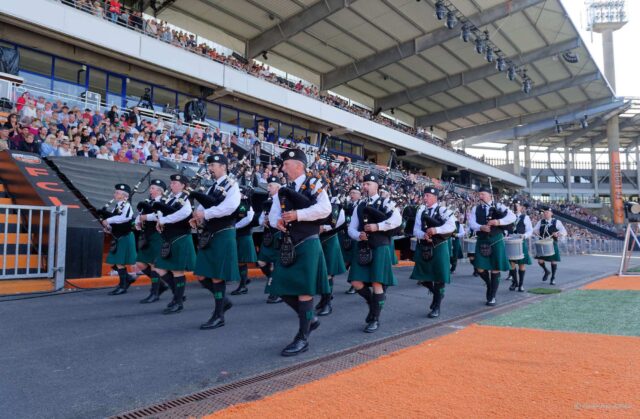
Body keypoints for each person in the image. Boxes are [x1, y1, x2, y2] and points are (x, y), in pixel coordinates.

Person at [267, 149, 330, 356]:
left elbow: (325, 209)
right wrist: (277, 222)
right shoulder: (283, 190)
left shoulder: (314, 184)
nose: (283, 168)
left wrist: (298, 215)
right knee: (282, 288)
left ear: (299, 165)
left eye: (286, 164)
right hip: (288, 243)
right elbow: (274, 213)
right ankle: (310, 319)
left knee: (304, 291)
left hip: (308, 242)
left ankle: (303, 337)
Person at [191, 154, 241, 330]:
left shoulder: (232, 185)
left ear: (223, 167)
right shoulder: (213, 186)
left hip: (223, 233)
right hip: (210, 232)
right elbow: (203, 205)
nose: (210, 168)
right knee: (202, 274)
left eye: (213, 165)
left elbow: (231, 207)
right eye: (210, 165)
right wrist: (197, 215)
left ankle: (219, 315)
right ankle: (224, 301)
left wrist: (206, 214)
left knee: (217, 275)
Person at [347, 174, 401, 333]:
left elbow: (397, 220)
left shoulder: (386, 202)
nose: (365, 186)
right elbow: (351, 228)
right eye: (364, 184)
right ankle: (373, 304)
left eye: (368, 183)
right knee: (356, 282)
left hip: (380, 246)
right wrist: (358, 235)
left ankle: (375, 319)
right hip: (363, 247)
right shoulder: (359, 205)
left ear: (376, 186)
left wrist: (378, 227)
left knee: (377, 283)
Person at [409, 187, 456, 318]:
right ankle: (437, 294)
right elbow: (415, 230)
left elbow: (452, 226)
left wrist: (436, 230)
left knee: (439, 278)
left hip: (439, 246)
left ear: (435, 197)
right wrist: (424, 234)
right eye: (424, 195)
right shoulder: (421, 211)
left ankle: (436, 306)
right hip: (424, 246)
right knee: (422, 277)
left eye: (428, 195)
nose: (425, 198)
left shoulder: (443, 210)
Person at [153, 174, 197, 314]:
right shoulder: (170, 199)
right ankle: (178, 295)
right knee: (160, 269)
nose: (171, 185)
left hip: (180, 238)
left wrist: (164, 221)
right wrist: (160, 220)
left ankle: (178, 302)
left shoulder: (185, 199)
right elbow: (160, 212)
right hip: (169, 238)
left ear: (183, 185)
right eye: (171, 183)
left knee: (177, 271)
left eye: (175, 183)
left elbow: (184, 213)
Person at [468, 187, 516, 306]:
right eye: (480, 194)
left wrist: (498, 222)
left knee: (495, 267)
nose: (481, 197)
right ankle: (490, 284)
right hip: (482, 239)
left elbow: (512, 217)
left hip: (496, 239)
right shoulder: (476, 208)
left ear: (490, 196)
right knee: (479, 267)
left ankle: (492, 296)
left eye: (483, 194)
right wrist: (480, 227)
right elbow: (472, 223)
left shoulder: (499, 206)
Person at [134, 179, 168, 304]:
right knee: (140, 263)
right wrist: (138, 221)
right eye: (151, 188)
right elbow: (140, 214)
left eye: (153, 188)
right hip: (146, 235)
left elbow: (160, 216)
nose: (150, 190)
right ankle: (161, 285)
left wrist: (145, 217)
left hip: (157, 235)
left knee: (154, 265)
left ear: (160, 191)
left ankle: (154, 292)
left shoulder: (163, 201)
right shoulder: (149, 201)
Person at [102, 184, 137, 295]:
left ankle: (122, 286)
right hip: (118, 236)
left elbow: (124, 218)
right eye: (115, 192)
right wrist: (109, 228)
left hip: (125, 236)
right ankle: (127, 279)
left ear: (124, 196)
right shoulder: (117, 207)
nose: (115, 194)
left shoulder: (127, 205)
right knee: (117, 262)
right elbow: (116, 222)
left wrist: (109, 221)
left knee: (119, 263)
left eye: (117, 193)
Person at [315, 194, 347, 316]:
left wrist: (325, 228)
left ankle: (327, 303)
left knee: (328, 272)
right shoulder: (312, 200)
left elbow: (341, 220)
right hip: (316, 239)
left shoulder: (334, 202)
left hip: (329, 239)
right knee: (319, 273)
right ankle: (324, 299)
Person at [256, 176, 283, 304]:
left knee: (277, 265)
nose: (268, 188)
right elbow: (261, 218)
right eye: (268, 186)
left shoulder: (283, 199)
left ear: (278, 187)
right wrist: (264, 221)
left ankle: (276, 291)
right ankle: (272, 280)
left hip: (278, 234)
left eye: (270, 186)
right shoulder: (268, 200)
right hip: (268, 236)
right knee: (261, 262)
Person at [230, 186, 257, 295]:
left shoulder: (244, 204)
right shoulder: (237, 203)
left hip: (243, 235)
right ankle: (244, 280)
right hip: (237, 235)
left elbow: (247, 219)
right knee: (238, 261)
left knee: (241, 261)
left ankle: (243, 285)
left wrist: (234, 227)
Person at [533, 206, 567, 285]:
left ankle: (553, 278)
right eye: (544, 212)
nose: (545, 214)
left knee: (553, 261)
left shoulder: (557, 222)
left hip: (552, 243)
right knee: (540, 261)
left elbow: (564, 232)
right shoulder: (541, 222)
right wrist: (535, 232)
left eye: (547, 212)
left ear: (551, 213)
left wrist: (558, 234)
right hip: (542, 243)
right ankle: (546, 271)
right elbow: (534, 229)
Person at [508, 200, 533, 292]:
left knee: (521, 264)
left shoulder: (525, 217)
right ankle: (515, 282)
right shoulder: (508, 217)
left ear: (521, 207)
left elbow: (530, 230)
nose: (515, 207)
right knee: (512, 264)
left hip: (520, 241)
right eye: (514, 205)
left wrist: (525, 235)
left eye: (517, 205)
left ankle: (521, 285)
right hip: (510, 241)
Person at [341, 185, 361, 295]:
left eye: (354, 192)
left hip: (355, 237)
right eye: (351, 192)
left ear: (359, 195)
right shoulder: (348, 204)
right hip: (347, 235)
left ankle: (355, 285)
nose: (351, 194)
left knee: (353, 262)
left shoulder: (361, 205)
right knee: (346, 261)